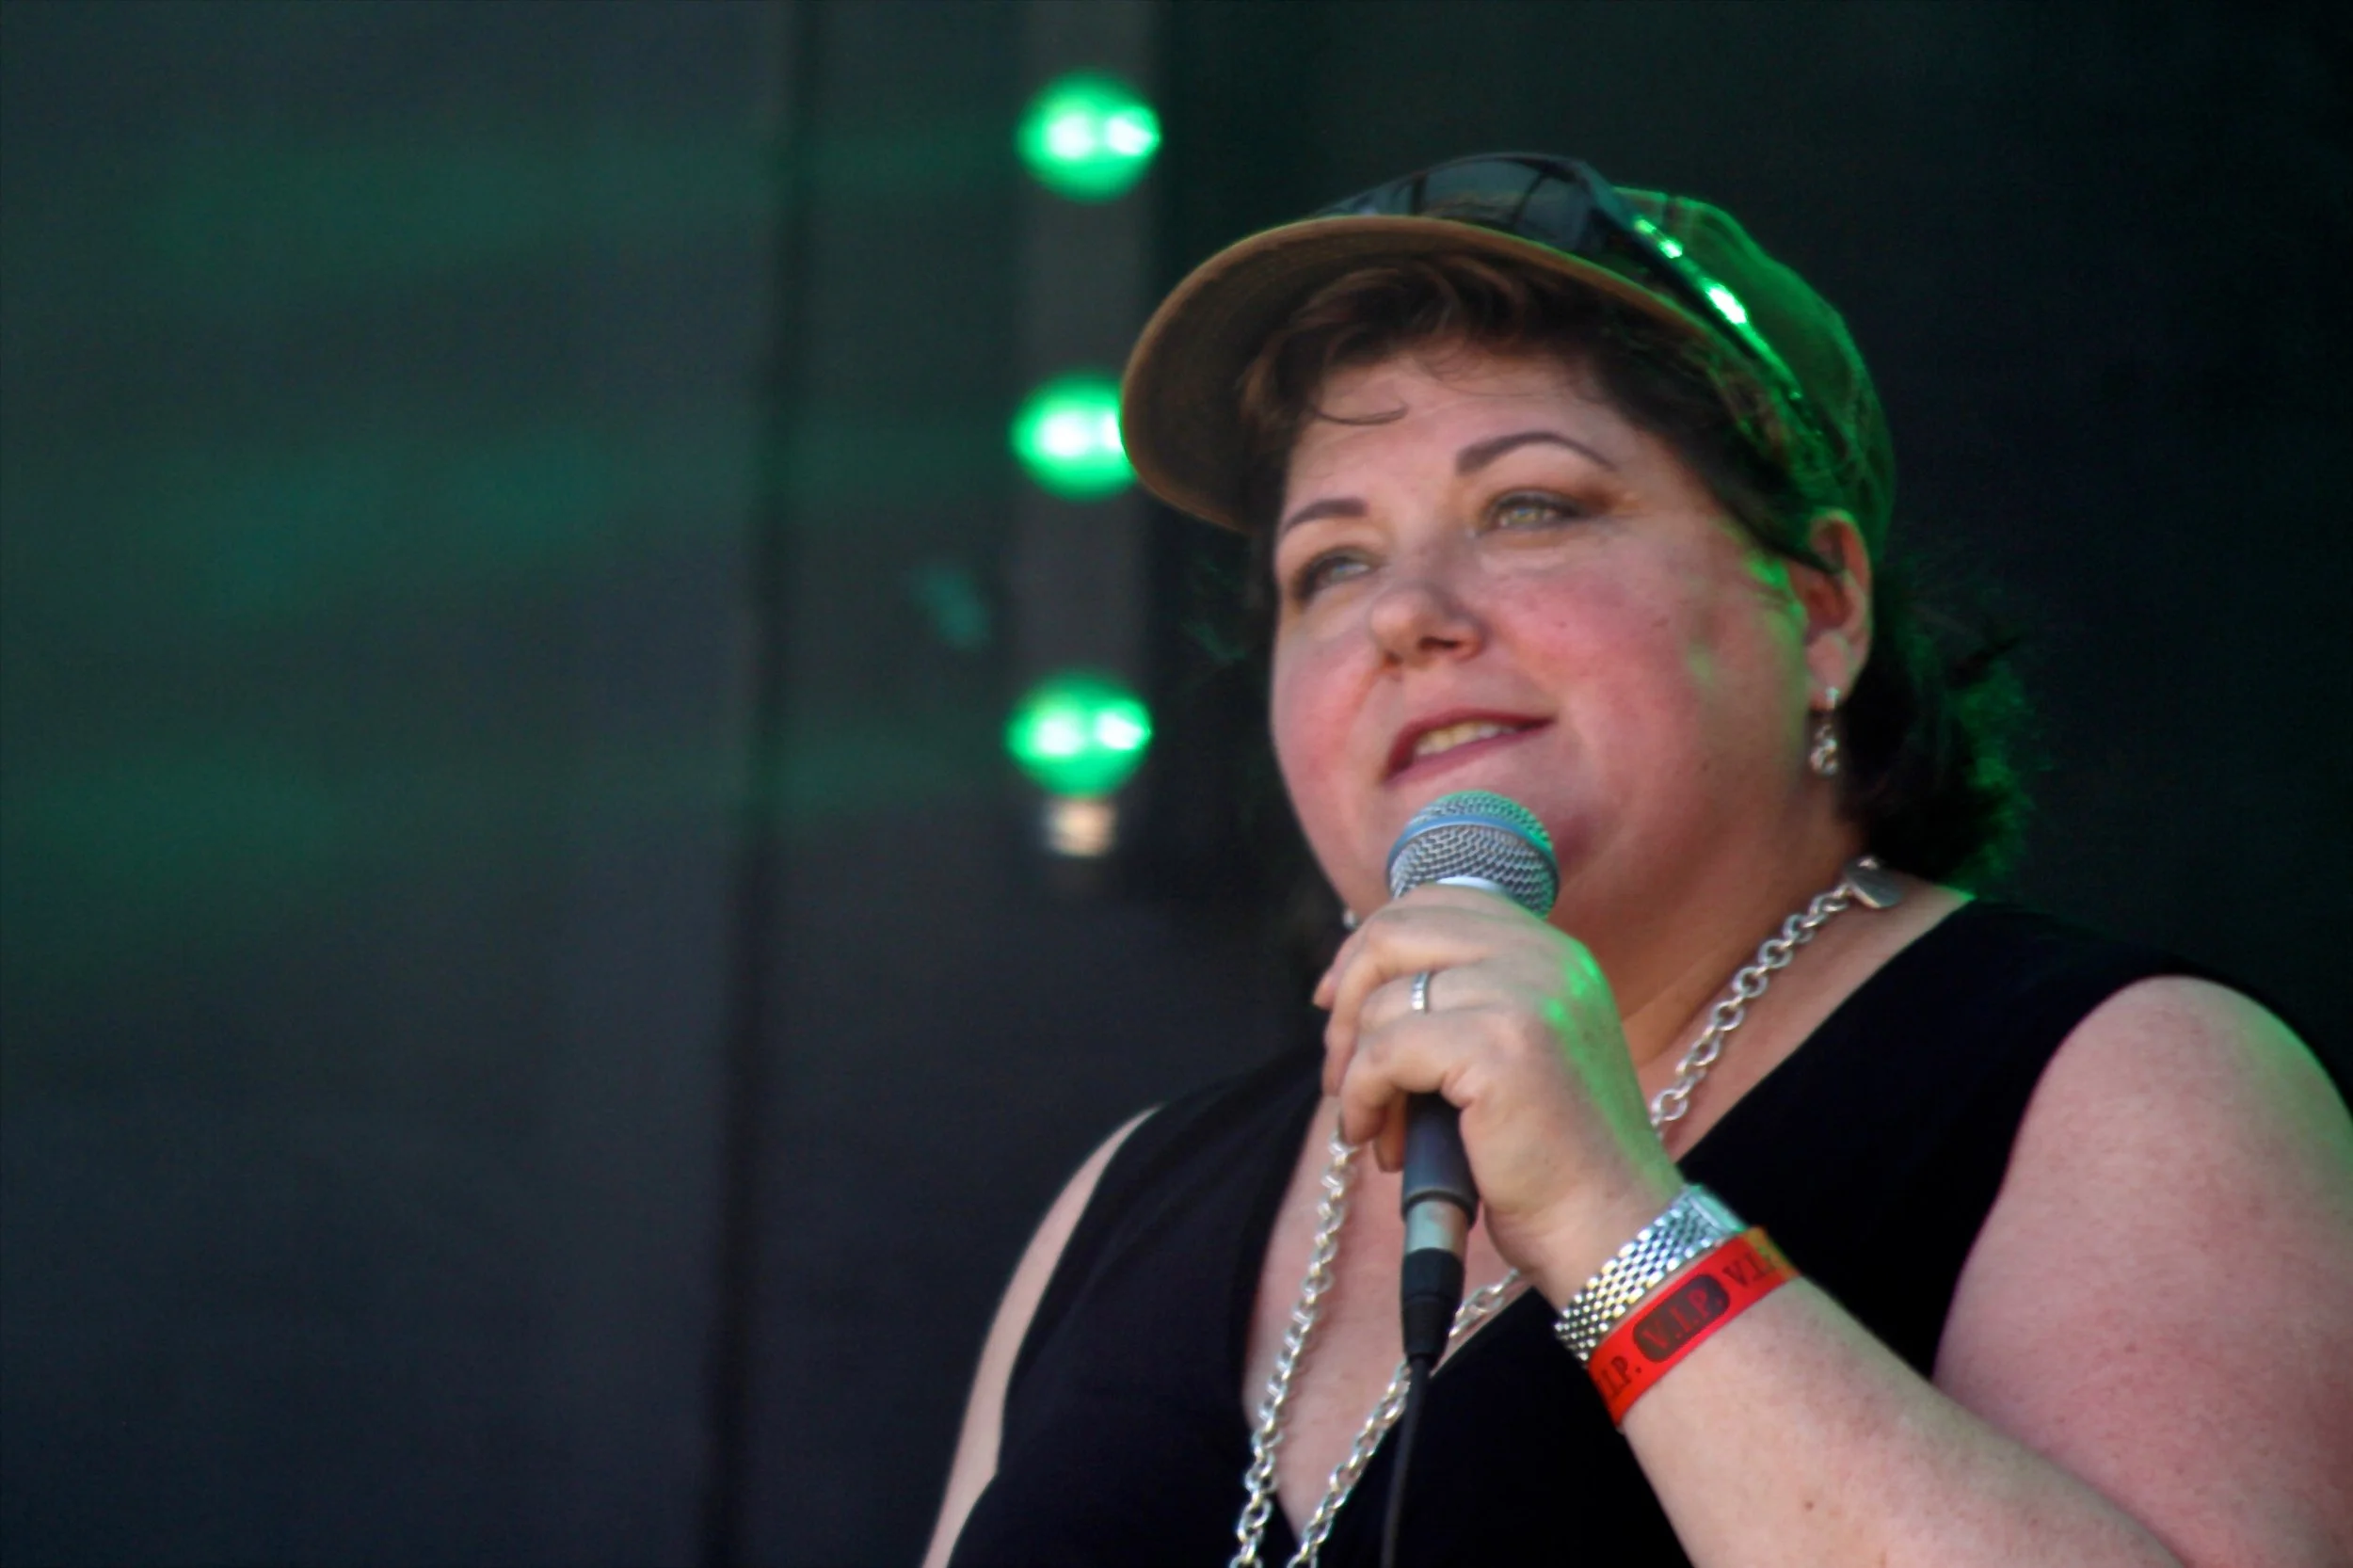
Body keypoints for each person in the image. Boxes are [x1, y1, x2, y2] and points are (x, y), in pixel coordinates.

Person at [923, 154, 2353, 1567]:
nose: (1407, 613)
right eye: (1333, 564)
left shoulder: (2132, 1078)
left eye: (1530, 506)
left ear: (1823, 609)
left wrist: (1613, 1220)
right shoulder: (1131, 1196)